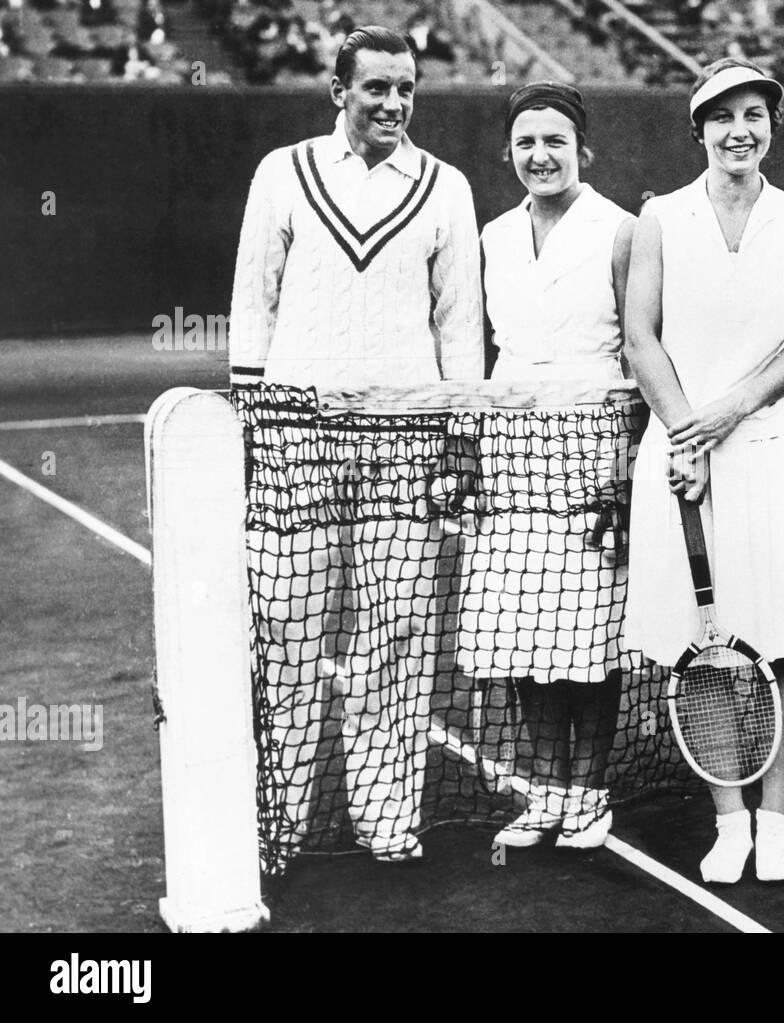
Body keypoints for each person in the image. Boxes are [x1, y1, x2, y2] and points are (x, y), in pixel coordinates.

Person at [228, 26, 483, 866]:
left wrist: (459, 433)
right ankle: (278, 817)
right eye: (375, 87)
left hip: (404, 444)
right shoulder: (282, 172)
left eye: (405, 88)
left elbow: (458, 324)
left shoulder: (446, 188)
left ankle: (385, 815)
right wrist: (254, 423)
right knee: (288, 631)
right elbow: (253, 301)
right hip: (297, 439)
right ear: (339, 91)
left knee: (398, 632)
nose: (393, 103)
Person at [624, 58, 784, 884]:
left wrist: (731, 410)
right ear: (698, 129)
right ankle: (729, 821)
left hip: (775, 454)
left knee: (783, 649)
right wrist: (686, 432)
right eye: (722, 117)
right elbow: (641, 336)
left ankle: (778, 819)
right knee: (704, 651)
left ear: (772, 127)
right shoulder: (660, 219)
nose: (738, 129)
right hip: (682, 459)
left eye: (754, 114)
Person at [459, 82, 636, 850]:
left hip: (594, 444)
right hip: (511, 452)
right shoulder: (493, 235)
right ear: (510, 153)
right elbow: (477, 348)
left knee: (588, 637)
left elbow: (641, 346)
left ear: (582, 151)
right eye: (527, 141)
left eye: (556, 140)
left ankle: (592, 791)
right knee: (526, 631)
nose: (541, 154)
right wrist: (468, 452)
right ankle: (548, 788)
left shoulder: (623, 229)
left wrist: (627, 463)